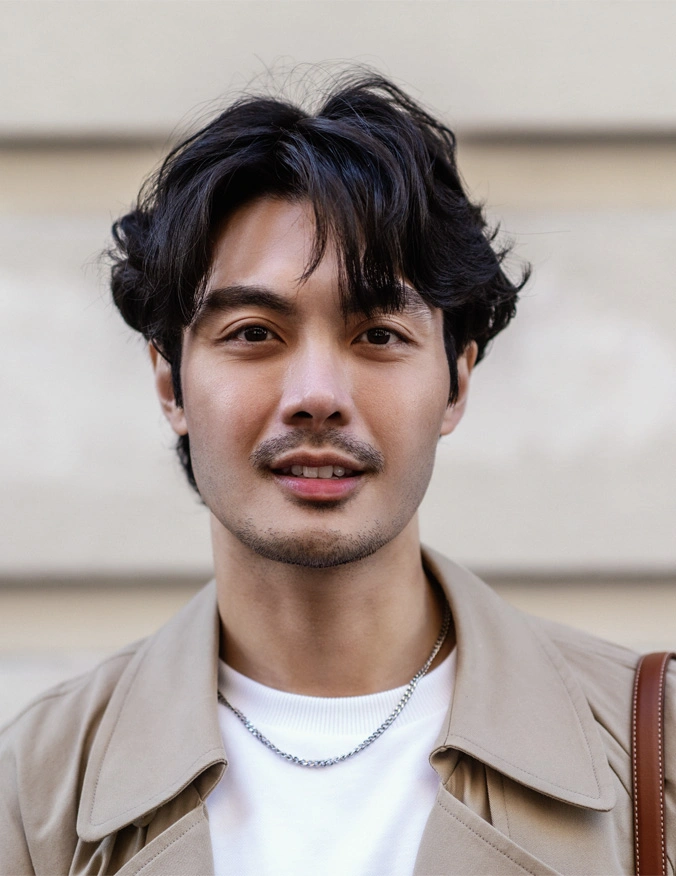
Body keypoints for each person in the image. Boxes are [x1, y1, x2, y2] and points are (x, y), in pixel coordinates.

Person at [1, 72, 673, 876]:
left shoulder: (649, 754)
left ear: (457, 381)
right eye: (253, 332)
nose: (316, 397)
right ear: (169, 382)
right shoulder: (37, 790)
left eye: (380, 334)